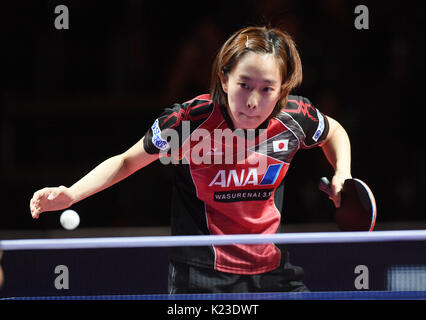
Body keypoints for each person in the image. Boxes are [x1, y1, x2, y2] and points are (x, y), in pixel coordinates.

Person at [30, 26, 352, 293]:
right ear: (224, 80)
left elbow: (333, 131)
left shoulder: (294, 117)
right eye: (243, 85)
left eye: (267, 89)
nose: (253, 101)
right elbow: (127, 161)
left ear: (282, 91)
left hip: (270, 268)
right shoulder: (187, 123)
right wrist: (72, 194)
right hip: (201, 276)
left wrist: (343, 173)